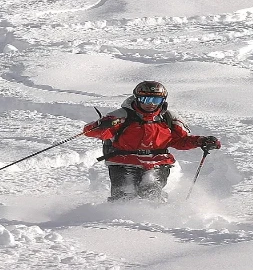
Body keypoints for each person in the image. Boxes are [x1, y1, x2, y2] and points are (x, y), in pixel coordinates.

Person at [83, 81, 221, 202]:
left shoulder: (168, 118)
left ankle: (153, 218)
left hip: (157, 162)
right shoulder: (122, 115)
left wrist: (201, 141)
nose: (150, 105)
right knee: (124, 194)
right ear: (137, 98)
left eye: (155, 101)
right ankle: (118, 220)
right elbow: (92, 132)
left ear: (162, 101)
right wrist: (101, 124)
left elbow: (181, 140)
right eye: (145, 99)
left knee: (151, 193)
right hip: (123, 161)